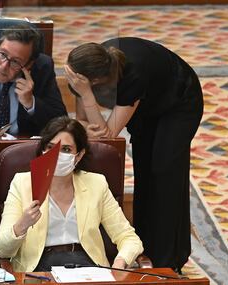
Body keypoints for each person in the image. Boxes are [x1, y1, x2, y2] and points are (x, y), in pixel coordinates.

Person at [65, 37, 204, 272]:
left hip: (179, 102)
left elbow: (108, 135)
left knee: (164, 173)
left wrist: (87, 95)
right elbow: (85, 121)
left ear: (95, 81)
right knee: (144, 170)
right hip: (148, 104)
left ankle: (169, 260)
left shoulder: (132, 74)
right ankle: (144, 247)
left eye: (82, 84)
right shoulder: (89, 63)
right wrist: (83, 118)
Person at [0, 116, 143, 272]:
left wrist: (120, 262)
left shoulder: (96, 184)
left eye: (65, 149)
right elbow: (2, 250)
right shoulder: (22, 183)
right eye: (50, 147)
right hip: (38, 269)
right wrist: (21, 225)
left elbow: (129, 238)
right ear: (42, 150)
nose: (56, 154)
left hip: (88, 267)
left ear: (79, 155)